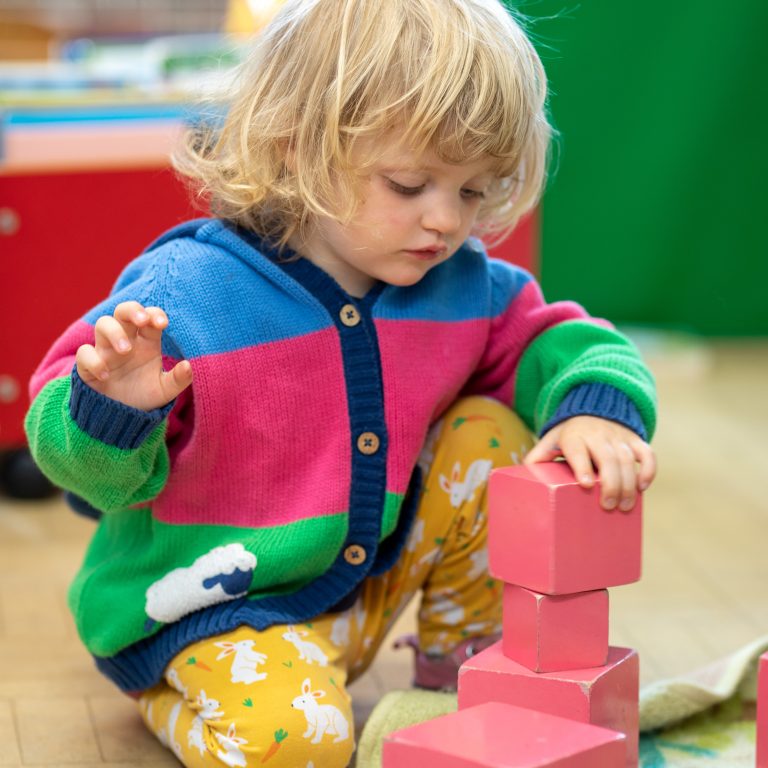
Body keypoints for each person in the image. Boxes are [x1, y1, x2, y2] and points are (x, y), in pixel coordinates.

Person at [25, 0, 657, 765]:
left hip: (356, 595)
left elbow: (559, 338)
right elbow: (85, 474)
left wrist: (598, 411)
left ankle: (459, 672)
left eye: (471, 191)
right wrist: (114, 409)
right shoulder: (185, 294)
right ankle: (168, 699)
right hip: (203, 610)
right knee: (307, 746)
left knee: (492, 432)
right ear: (296, 152)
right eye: (409, 183)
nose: (444, 222)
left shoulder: (459, 286)